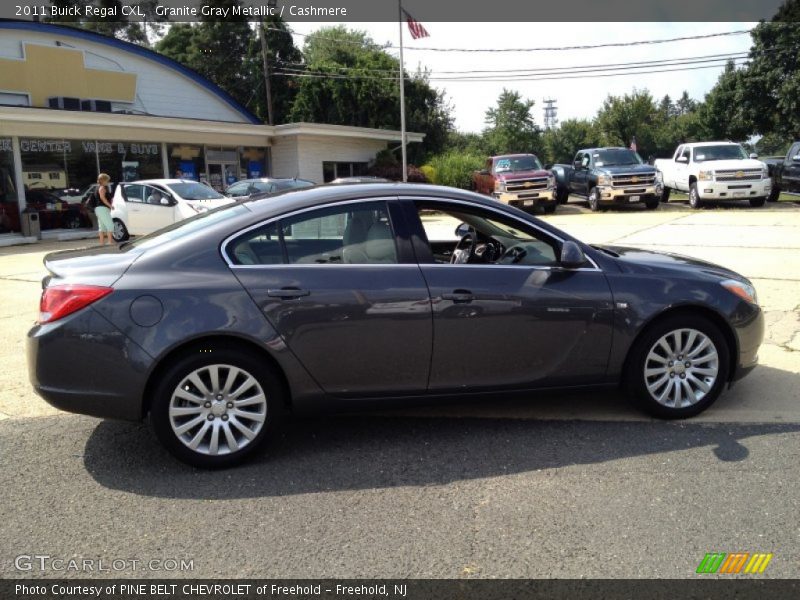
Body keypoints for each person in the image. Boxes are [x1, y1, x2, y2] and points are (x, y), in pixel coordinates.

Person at [93, 173, 114, 245]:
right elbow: (102, 198)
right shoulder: (102, 188)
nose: (108, 182)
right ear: (103, 180)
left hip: (98, 209)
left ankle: (102, 243)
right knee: (110, 225)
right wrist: (110, 206)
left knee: (101, 226)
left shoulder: (97, 187)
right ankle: (110, 242)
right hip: (103, 208)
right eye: (107, 180)